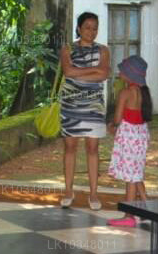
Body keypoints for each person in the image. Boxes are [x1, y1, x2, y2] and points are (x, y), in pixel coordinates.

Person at [59, 12, 110, 210]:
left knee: (93, 149)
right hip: (70, 106)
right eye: (87, 27)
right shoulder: (67, 49)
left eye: (95, 28)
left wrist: (78, 74)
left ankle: (94, 193)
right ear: (79, 28)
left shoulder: (103, 50)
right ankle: (68, 191)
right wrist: (92, 71)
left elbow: (103, 74)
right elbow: (68, 72)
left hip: (94, 107)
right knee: (70, 148)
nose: (92, 31)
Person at [107, 55, 152, 227]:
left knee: (131, 178)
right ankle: (148, 208)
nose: (119, 72)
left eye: (122, 70)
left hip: (129, 138)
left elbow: (118, 119)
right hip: (140, 136)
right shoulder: (143, 92)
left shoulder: (125, 93)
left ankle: (129, 215)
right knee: (136, 172)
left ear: (129, 74)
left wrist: (111, 126)